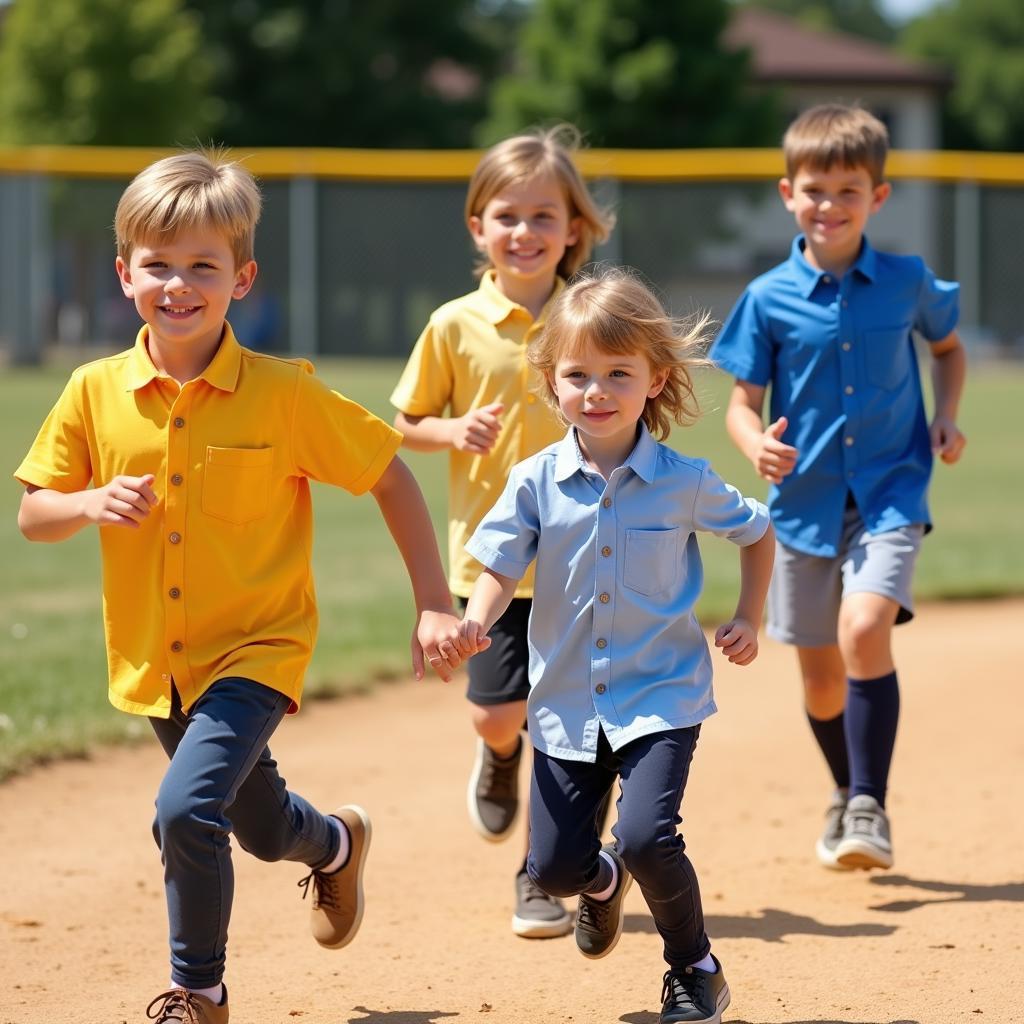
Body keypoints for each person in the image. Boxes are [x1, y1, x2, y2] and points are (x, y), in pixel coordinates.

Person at [14, 151, 462, 1024]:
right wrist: (89, 501)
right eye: (158, 265)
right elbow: (34, 515)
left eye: (202, 267)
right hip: (159, 661)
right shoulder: (92, 391)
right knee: (258, 829)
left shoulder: (283, 394)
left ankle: (199, 992)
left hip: (258, 648)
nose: (178, 285)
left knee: (185, 812)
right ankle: (332, 844)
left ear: (242, 278)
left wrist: (434, 601)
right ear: (124, 272)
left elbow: (388, 475)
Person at [453, 268, 774, 1024]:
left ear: (656, 379)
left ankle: (695, 968)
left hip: (660, 695)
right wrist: (475, 620)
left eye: (617, 374)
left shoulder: (684, 481)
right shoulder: (533, 480)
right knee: (555, 869)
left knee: (646, 838)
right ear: (551, 382)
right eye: (577, 375)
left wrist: (749, 617)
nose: (595, 391)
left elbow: (758, 533)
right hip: (565, 703)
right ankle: (601, 885)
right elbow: (499, 564)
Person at [711, 104, 967, 872]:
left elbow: (949, 352)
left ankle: (868, 806)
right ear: (788, 193)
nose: (830, 205)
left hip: (891, 493)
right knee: (822, 681)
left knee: (864, 634)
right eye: (815, 190)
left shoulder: (907, 281)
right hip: (801, 509)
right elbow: (739, 403)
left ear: (878, 198)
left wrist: (947, 416)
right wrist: (755, 445)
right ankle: (845, 792)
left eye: (848, 190)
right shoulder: (767, 297)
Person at [390, 125, 615, 938]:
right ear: (477, 227)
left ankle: (539, 877)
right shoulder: (454, 325)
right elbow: (404, 421)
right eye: (507, 216)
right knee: (499, 713)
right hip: (490, 565)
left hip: (591, 558)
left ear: (574, 230)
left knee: (578, 724)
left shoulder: (592, 319)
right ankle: (497, 754)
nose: (525, 232)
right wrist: (450, 434)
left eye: (544, 216)